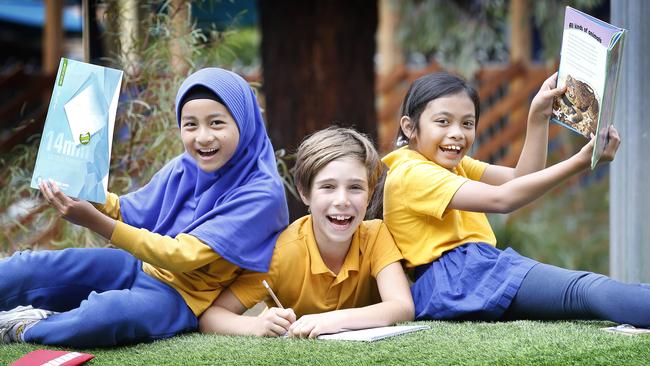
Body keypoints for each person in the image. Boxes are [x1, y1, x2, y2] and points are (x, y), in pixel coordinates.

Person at [0, 68, 289, 347]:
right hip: (139, 264)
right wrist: (85, 187)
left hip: (181, 296)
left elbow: (183, 256)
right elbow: (130, 211)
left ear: (244, 121)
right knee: (30, 268)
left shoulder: (262, 193)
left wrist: (94, 221)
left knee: (104, 316)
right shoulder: (186, 166)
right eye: (190, 124)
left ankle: (27, 327)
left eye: (216, 123)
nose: (202, 137)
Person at [379, 71, 650, 326]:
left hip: (468, 274)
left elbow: (520, 178)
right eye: (443, 121)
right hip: (458, 279)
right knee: (584, 290)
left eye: (467, 123)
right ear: (409, 127)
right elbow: (502, 200)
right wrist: (581, 161)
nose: (457, 133)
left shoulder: (448, 166)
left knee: (588, 289)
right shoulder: (411, 173)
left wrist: (538, 116)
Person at [199, 127, 414, 338]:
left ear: (369, 194)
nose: (342, 201)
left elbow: (402, 307)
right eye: (328, 187)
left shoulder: (376, 236)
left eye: (355, 188)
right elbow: (211, 317)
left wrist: (333, 320)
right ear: (304, 192)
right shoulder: (280, 253)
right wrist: (256, 325)